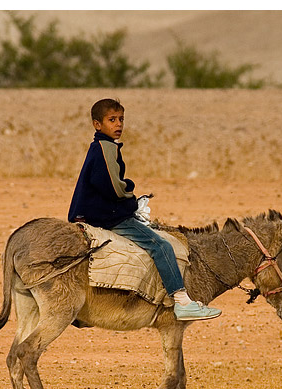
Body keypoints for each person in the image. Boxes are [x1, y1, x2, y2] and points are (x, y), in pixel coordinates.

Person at [68, 98, 221, 322]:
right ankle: (182, 302)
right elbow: (114, 186)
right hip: (105, 216)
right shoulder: (106, 147)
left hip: (91, 212)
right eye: (112, 120)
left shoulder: (100, 147)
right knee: (161, 246)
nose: (118, 124)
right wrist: (130, 196)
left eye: (121, 119)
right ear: (97, 125)